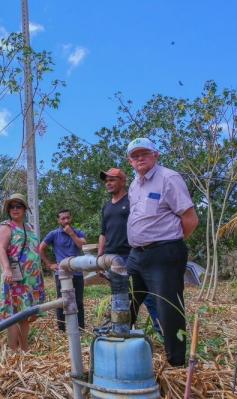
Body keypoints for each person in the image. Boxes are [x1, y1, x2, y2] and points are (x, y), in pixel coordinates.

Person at [125, 137, 199, 367]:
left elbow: (190, 219)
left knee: (169, 310)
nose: (139, 159)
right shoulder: (134, 184)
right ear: (130, 161)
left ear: (155, 154)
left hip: (164, 253)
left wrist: (170, 243)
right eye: (135, 156)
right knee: (125, 303)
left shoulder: (169, 178)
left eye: (144, 154)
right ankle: (120, 354)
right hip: (136, 255)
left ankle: (176, 364)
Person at [98, 167, 161, 334]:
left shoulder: (131, 201)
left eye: (112, 180)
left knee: (144, 295)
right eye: (106, 181)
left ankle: (161, 330)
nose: (108, 183)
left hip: (131, 255)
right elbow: (103, 233)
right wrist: (99, 257)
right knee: (119, 296)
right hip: (111, 258)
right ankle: (123, 329)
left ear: (123, 181)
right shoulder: (106, 207)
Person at [0, 193, 45, 351]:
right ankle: (13, 352)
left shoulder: (29, 227)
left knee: (25, 314)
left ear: (25, 209)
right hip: (15, 278)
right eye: (12, 206)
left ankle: (24, 349)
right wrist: (7, 269)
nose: (15, 209)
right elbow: (1, 248)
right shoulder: (6, 227)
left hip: (31, 278)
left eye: (18, 206)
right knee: (13, 314)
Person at [38, 209, 86, 331]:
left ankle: (80, 329)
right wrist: (49, 265)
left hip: (77, 273)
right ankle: (62, 329)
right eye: (63, 218)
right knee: (62, 301)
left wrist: (71, 233)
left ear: (71, 218)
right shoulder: (53, 234)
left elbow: (82, 246)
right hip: (62, 274)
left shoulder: (78, 232)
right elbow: (40, 248)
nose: (65, 220)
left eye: (67, 218)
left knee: (78, 301)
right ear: (58, 220)